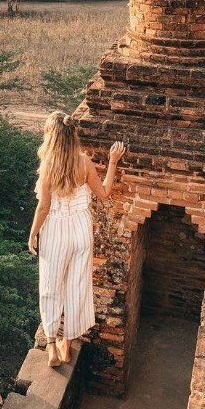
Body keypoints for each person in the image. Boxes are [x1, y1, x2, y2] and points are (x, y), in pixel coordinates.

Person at [28, 112, 125, 367]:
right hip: (81, 230)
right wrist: (113, 161)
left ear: (52, 137)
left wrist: (33, 233)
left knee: (50, 286)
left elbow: (44, 207)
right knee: (76, 287)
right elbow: (104, 194)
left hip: (57, 229)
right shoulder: (84, 162)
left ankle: (51, 346)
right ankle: (67, 345)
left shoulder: (49, 166)